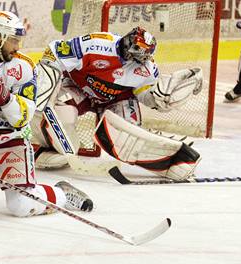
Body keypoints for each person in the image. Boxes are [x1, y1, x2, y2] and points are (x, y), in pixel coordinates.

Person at [0, 11, 94, 217]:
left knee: (21, 206)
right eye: (13, 41)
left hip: (9, 141)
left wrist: (4, 97)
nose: (17, 47)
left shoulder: (23, 67)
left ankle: (62, 193)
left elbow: (23, 118)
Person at [32, 27, 203, 181]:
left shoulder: (147, 69)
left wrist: (159, 99)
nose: (135, 55)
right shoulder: (97, 44)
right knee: (62, 118)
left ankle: (171, 162)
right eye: (134, 49)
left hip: (117, 99)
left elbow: (145, 97)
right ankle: (43, 148)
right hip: (79, 88)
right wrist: (46, 83)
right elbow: (56, 50)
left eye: (142, 55)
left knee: (128, 138)